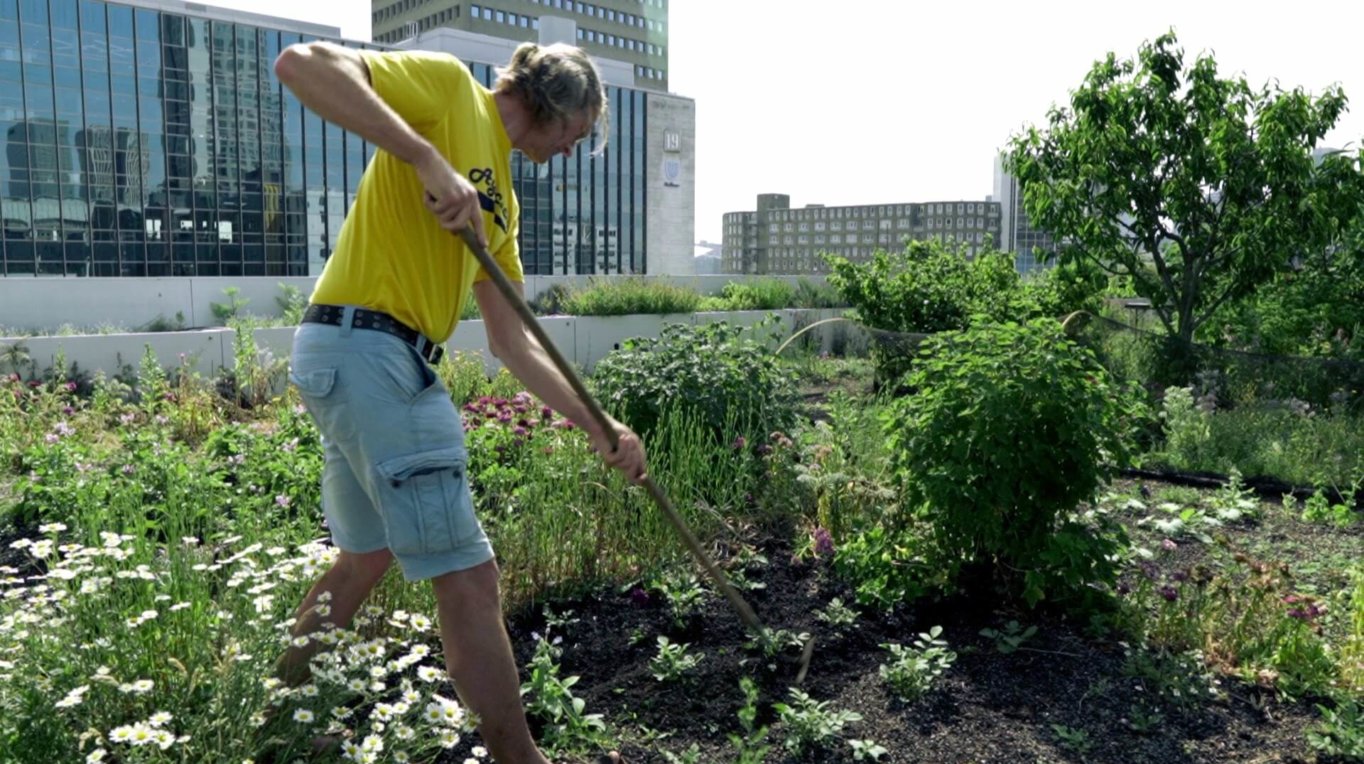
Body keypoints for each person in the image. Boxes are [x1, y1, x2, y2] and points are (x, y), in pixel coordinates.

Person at [271, 39, 646, 764]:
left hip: (359, 356)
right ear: (555, 104)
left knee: (363, 559)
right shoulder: (450, 91)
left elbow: (514, 343)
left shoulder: (502, 207)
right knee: (470, 578)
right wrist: (425, 158)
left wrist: (599, 424)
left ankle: (277, 723)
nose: (573, 150)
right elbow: (301, 65)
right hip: (369, 345)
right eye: (578, 132)